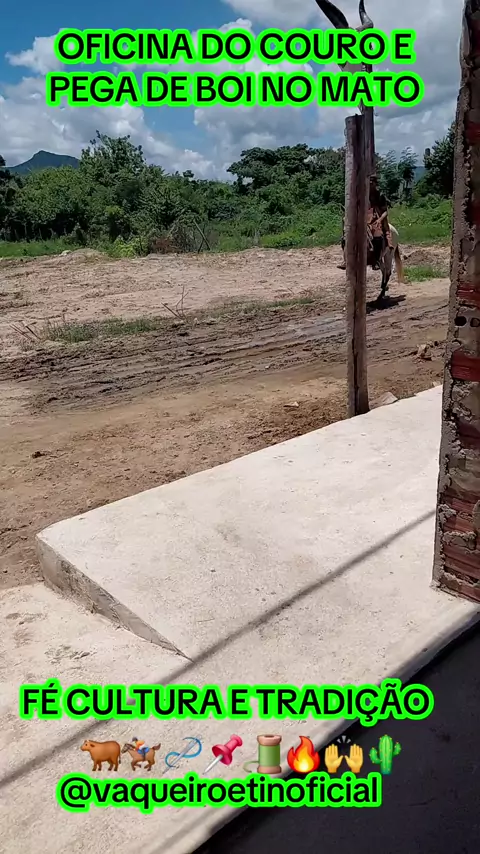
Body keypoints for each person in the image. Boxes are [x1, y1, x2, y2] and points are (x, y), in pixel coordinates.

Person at [368, 175, 393, 269]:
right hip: (364, 217)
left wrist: (379, 220)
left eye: (372, 183)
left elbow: (385, 211)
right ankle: (347, 259)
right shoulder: (362, 194)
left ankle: (376, 260)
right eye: (368, 183)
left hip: (376, 217)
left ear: (375, 184)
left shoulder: (380, 196)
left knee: (377, 235)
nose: (370, 185)